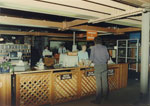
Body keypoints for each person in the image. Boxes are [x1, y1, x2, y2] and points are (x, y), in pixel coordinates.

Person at [90, 37, 109, 104]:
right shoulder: (104, 47)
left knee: (98, 84)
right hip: (104, 66)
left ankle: (98, 100)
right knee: (105, 82)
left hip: (97, 66)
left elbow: (91, 58)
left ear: (95, 41)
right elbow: (107, 57)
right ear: (101, 41)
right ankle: (106, 97)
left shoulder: (93, 48)